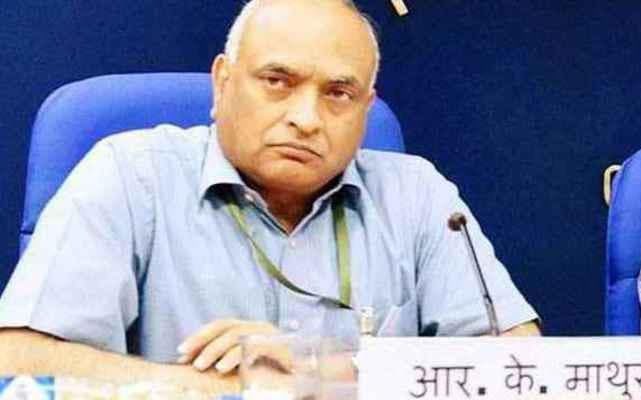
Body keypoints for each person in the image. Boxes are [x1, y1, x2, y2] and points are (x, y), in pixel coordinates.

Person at [0, 0, 539, 395]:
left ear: (366, 108)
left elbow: (522, 368)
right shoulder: (129, 174)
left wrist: (315, 373)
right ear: (222, 83)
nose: (306, 118)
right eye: (278, 81)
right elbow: (17, 361)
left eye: (338, 93)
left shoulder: (417, 195)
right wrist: (223, 389)